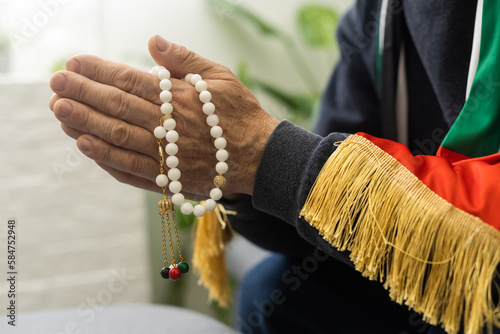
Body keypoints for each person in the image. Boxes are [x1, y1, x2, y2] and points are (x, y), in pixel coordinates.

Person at [49, 1, 500, 333]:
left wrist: (260, 151)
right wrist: (235, 178)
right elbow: (320, 215)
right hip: (405, 277)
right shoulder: (377, 15)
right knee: (277, 293)